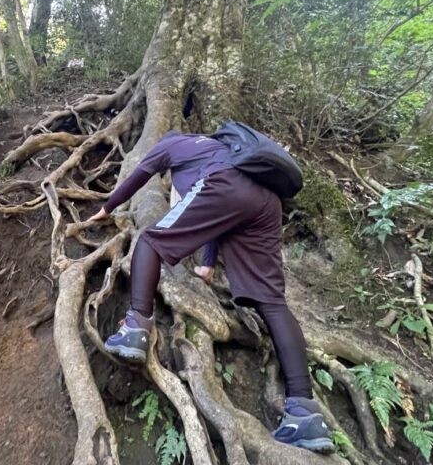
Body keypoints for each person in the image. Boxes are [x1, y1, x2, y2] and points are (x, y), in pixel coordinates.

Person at [86, 131, 335, 454]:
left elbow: (140, 177)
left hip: (224, 185)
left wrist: (108, 207)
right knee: (273, 301)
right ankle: (304, 412)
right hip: (266, 204)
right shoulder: (222, 149)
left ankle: (136, 327)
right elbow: (219, 214)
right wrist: (208, 264)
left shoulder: (169, 145)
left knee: (149, 240)